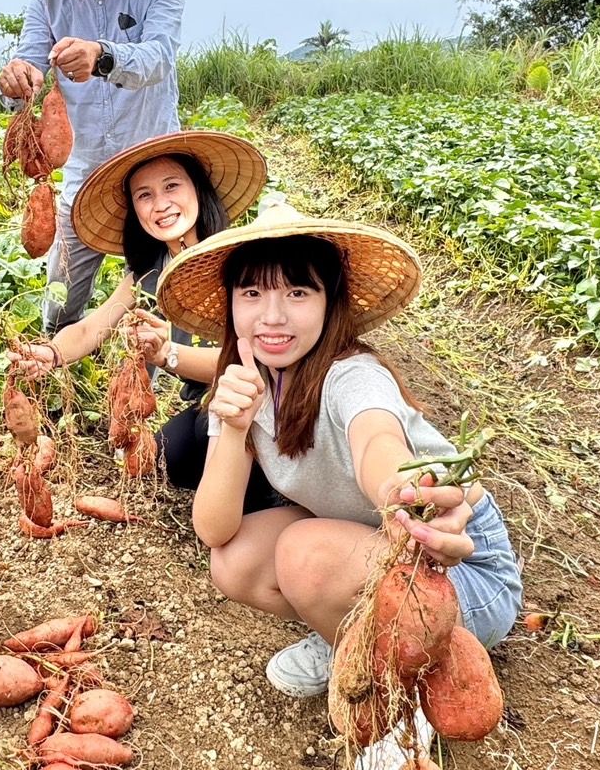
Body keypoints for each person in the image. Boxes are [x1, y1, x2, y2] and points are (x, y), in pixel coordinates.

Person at [157, 204, 522, 769]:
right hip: (369, 551)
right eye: (252, 293)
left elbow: (377, 443)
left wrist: (405, 493)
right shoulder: (246, 381)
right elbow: (214, 528)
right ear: (231, 304)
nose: (272, 316)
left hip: (459, 571)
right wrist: (231, 427)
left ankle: (401, 712)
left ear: (330, 305)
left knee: (306, 553)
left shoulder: (353, 376)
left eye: (298, 293)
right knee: (237, 562)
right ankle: (347, 641)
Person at [4, 131, 276, 508]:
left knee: (210, 429)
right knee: (169, 456)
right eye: (144, 195)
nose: (160, 205)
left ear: (198, 189)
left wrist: (168, 355)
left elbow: (253, 366)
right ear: (135, 210)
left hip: (264, 397)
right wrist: (50, 354)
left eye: (171, 187)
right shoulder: (149, 273)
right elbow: (92, 326)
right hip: (206, 400)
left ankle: (272, 490)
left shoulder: (239, 260)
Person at [0, 0, 189, 333]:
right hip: (82, 174)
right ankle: (56, 380)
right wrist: (17, 81)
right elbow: (28, 65)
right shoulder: (47, 1)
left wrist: (102, 56)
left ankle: (178, 379)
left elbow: (159, 57)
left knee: (167, 292)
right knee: (61, 300)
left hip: (154, 167)